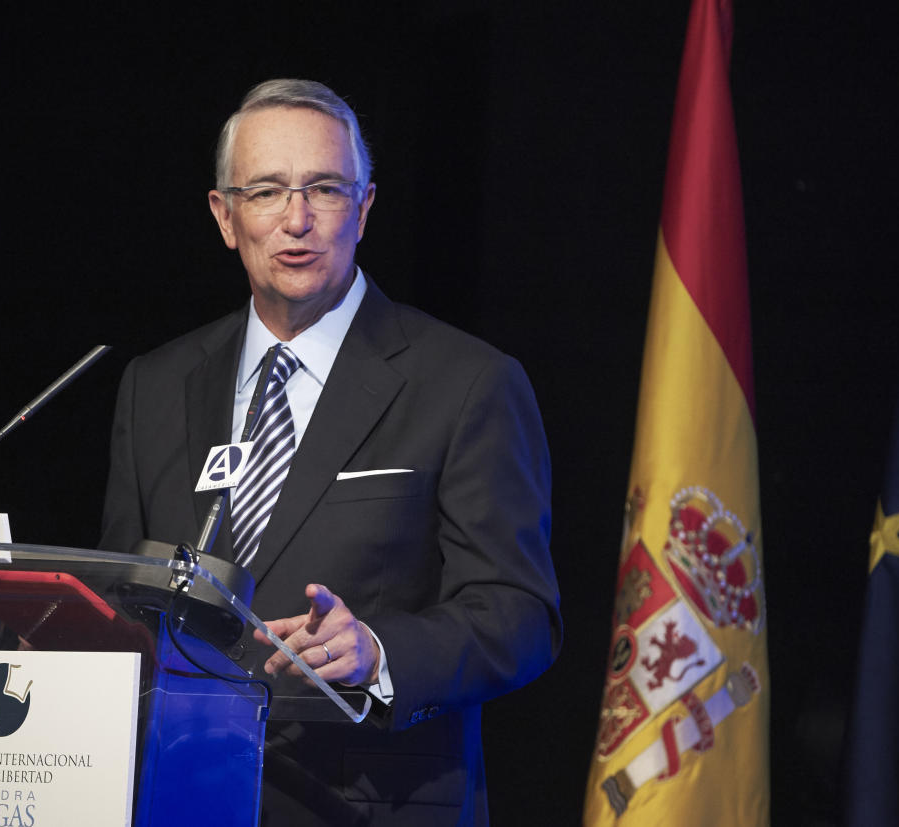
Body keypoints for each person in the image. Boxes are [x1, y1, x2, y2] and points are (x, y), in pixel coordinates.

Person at [99, 78, 561, 825]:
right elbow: (124, 598)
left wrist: (380, 651)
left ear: (365, 207)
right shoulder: (154, 386)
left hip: (368, 802)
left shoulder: (467, 382)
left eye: (324, 188)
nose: (297, 219)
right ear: (225, 215)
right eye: (266, 191)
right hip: (180, 794)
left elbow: (521, 614)